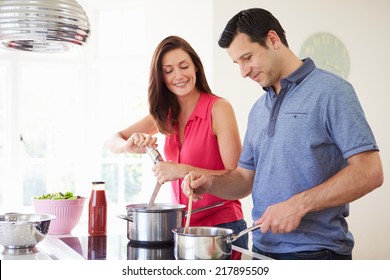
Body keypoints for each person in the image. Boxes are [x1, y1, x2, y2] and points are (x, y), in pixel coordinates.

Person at [181, 8, 383, 260]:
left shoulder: (332, 92)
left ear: (273, 40)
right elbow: (244, 179)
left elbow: (370, 171)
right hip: (263, 252)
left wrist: (299, 205)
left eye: (247, 57)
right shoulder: (258, 109)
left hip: (317, 255)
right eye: (237, 63)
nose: (243, 72)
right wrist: (210, 183)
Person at [105, 35, 248, 250]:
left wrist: (180, 170)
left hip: (221, 229)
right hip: (183, 231)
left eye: (184, 66)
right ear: (160, 76)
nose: (178, 76)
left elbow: (238, 178)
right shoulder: (165, 114)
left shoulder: (219, 109)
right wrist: (128, 146)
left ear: (196, 68)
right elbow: (112, 141)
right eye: (168, 70)